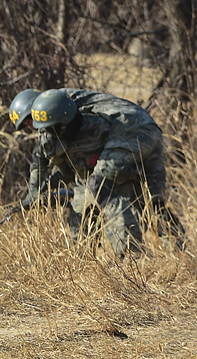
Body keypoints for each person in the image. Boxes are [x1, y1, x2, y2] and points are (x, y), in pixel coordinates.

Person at [21, 88, 186, 255]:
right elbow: (50, 163)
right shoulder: (66, 107)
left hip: (133, 132)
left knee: (100, 187)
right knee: (152, 199)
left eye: (31, 123)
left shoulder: (84, 120)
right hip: (148, 130)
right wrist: (37, 192)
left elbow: (88, 175)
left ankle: (129, 254)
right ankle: (181, 249)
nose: (35, 129)